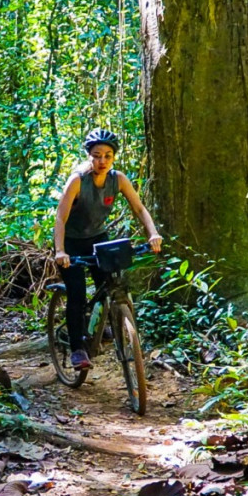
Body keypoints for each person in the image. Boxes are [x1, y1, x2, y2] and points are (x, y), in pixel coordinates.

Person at [53, 128, 162, 370]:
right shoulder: (77, 181)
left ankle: (104, 324)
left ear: (114, 157)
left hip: (98, 239)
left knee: (111, 283)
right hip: (71, 241)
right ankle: (77, 349)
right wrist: (60, 251)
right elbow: (60, 218)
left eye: (108, 156)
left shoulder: (118, 179)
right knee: (77, 294)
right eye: (97, 155)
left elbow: (139, 209)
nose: (102, 161)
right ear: (89, 156)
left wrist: (152, 233)